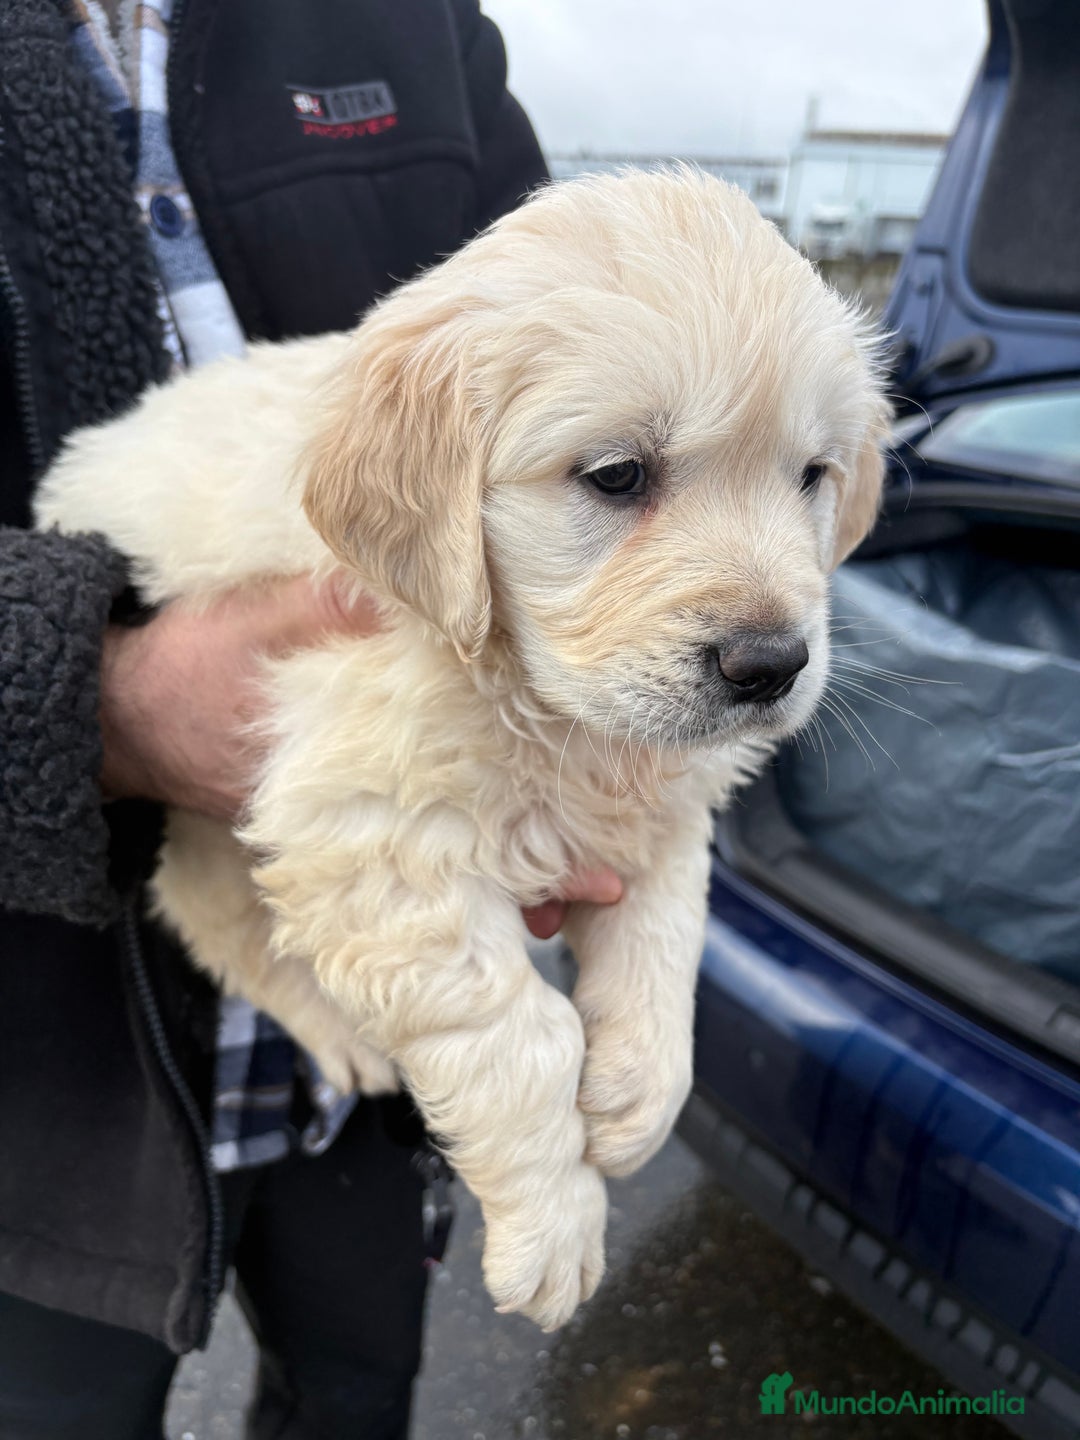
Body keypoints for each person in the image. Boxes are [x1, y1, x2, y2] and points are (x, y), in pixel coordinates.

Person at [0, 2, 621, 1436]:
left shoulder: (413, 21)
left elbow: (588, 398)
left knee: (356, 1399)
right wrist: (99, 699)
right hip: (40, 1092)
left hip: (369, 1065)